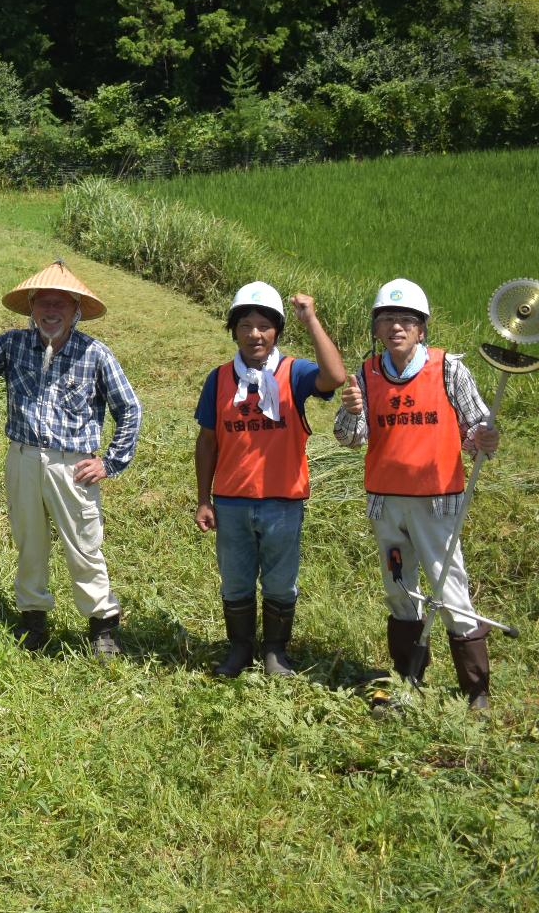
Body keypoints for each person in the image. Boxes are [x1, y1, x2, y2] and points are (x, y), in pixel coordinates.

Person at [0, 260, 140, 657]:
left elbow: (129, 408)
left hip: (74, 466)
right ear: (31, 308)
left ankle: (102, 625)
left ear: (76, 311)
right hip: (23, 458)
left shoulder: (95, 354)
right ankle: (33, 619)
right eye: (43, 304)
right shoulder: (14, 344)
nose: (51, 311)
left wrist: (111, 462)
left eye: (61, 305)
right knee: (29, 542)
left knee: (84, 545)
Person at [335, 278, 501, 711]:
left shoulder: (448, 369)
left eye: (406, 320)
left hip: (437, 502)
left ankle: (476, 691)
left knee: (451, 590)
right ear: (376, 329)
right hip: (386, 502)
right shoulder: (365, 376)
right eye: (387, 319)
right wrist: (353, 411)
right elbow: (349, 438)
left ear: (421, 329)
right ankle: (408, 678)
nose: (396, 328)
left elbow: (477, 422)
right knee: (399, 590)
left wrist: (484, 436)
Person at [192, 283, 346, 677]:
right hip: (231, 500)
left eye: (264, 326)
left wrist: (310, 320)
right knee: (236, 579)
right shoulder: (220, 378)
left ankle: (275, 651)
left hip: (283, 501)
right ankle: (240, 648)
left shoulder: (294, 373)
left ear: (277, 330)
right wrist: (203, 498)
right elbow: (207, 442)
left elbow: (335, 375)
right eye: (245, 325)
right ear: (233, 330)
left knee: (280, 580)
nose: (254, 334)